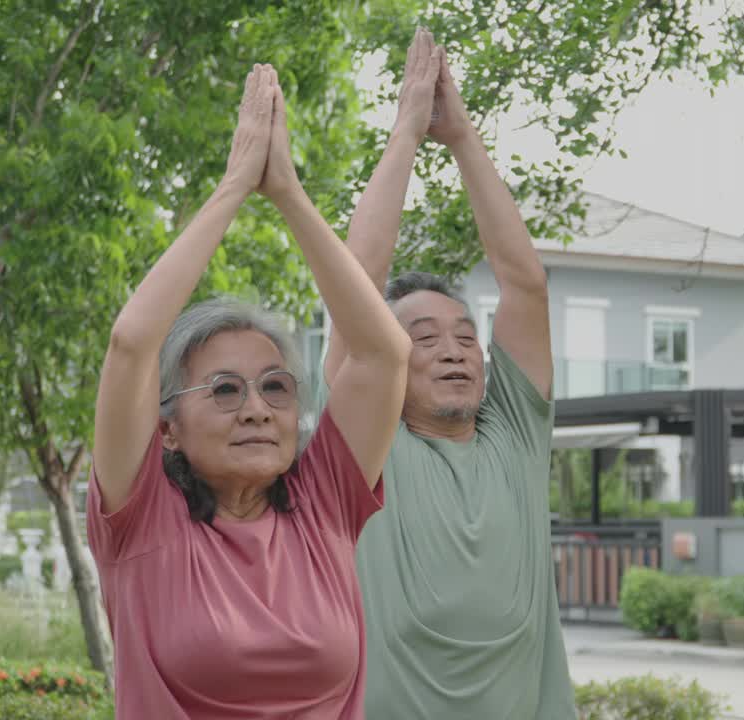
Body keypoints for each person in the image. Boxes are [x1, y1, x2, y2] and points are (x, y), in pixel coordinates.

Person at [88, 63, 410, 719]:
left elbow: (384, 352)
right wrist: (236, 185)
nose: (258, 409)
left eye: (275, 387)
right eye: (225, 391)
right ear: (167, 427)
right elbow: (130, 345)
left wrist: (287, 193)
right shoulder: (139, 518)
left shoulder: (326, 505)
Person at [322, 30, 575, 718]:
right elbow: (355, 284)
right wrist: (406, 129)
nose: (456, 350)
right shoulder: (365, 454)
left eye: (467, 337)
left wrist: (462, 137)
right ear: (387, 363)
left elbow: (525, 285)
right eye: (424, 339)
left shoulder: (515, 436)